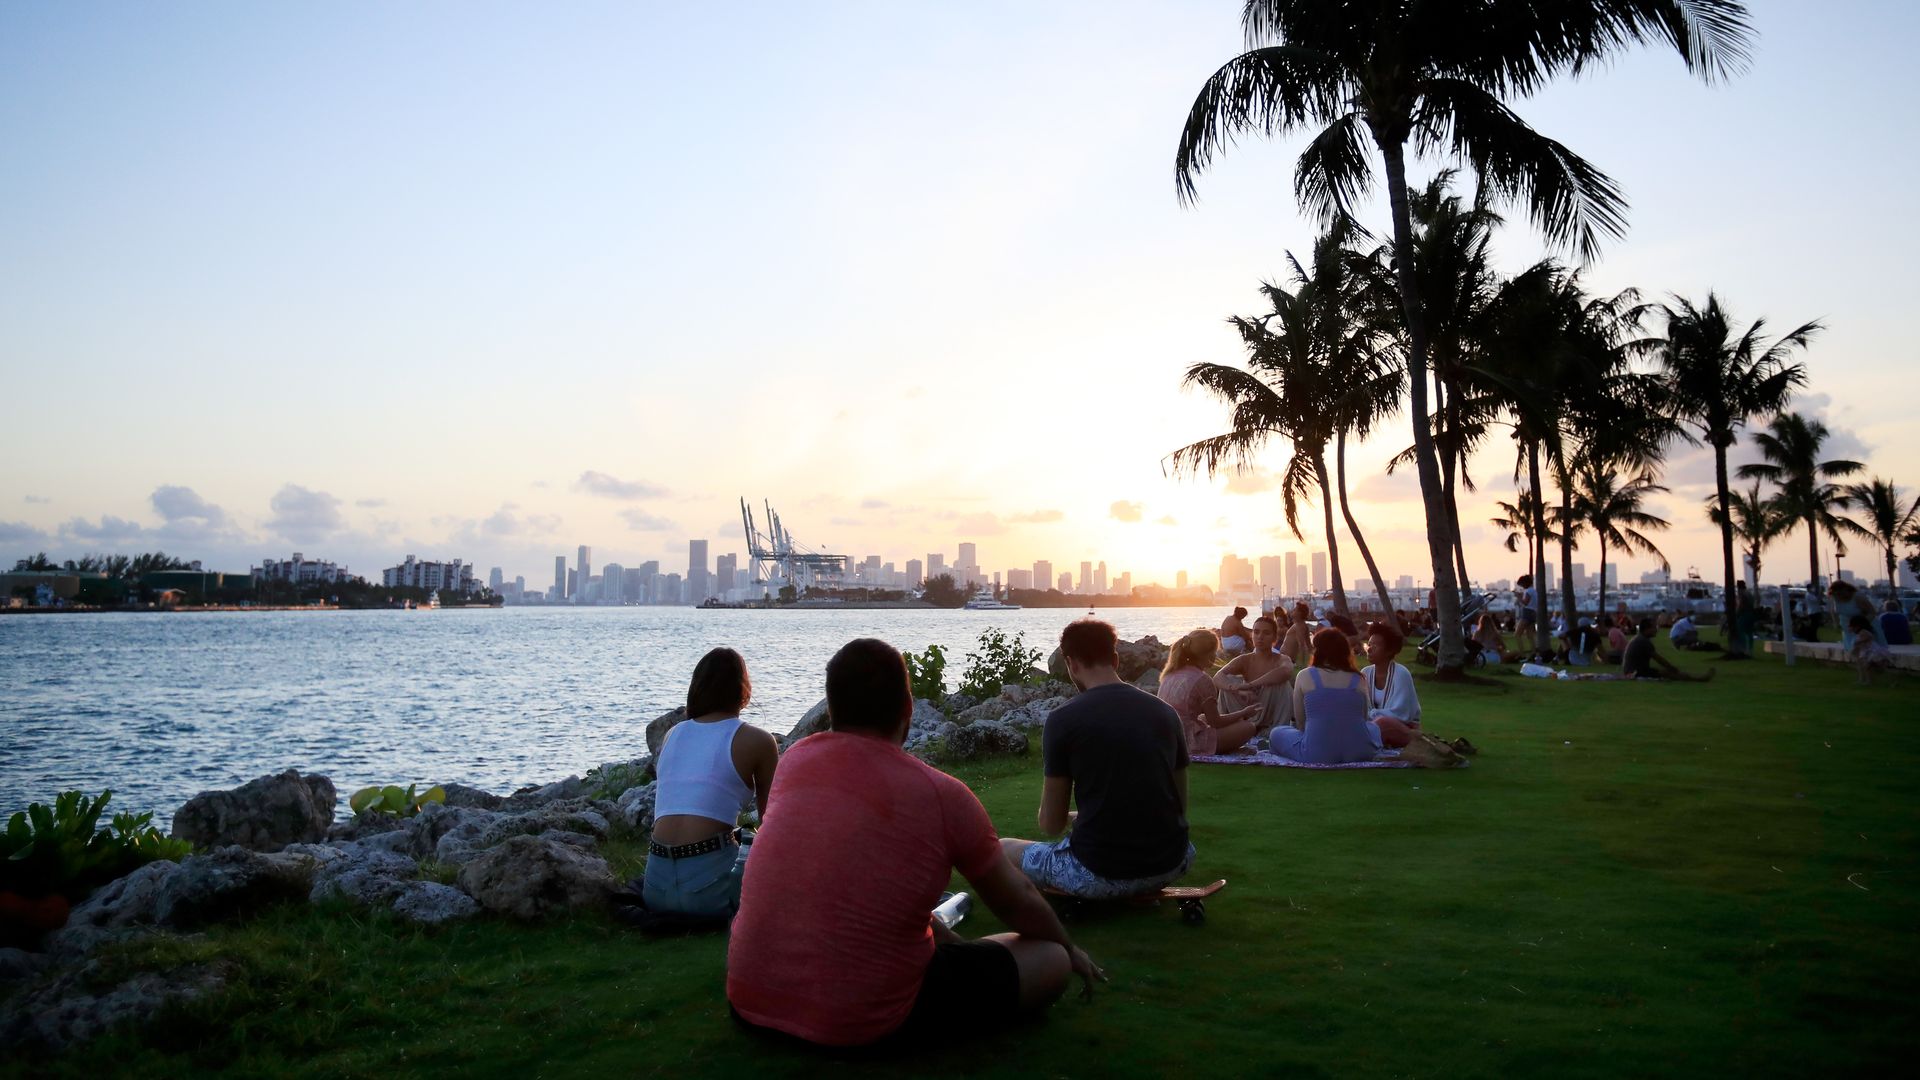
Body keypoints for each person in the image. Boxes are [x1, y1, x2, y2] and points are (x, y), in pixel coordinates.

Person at [727, 638, 1100, 1048]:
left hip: (751, 1002)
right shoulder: (942, 794)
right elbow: (1017, 900)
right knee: (1049, 960)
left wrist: (957, 949)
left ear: (831, 710)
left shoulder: (794, 761)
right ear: (908, 708)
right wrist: (1068, 947)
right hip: (863, 1022)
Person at [1001, 619, 1195, 900]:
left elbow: (1051, 824)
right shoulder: (1165, 713)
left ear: (1071, 664)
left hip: (1097, 873)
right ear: (1115, 659)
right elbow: (1178, 804)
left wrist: (1056, 815)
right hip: (1173, 863)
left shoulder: (1063, 720)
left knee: (1001, 848)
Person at [644, 647, 779, 919]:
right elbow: (773, 823)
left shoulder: (672, 734)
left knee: (739, 835)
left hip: (654, 887)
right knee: (754, 840)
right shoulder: (758, 741)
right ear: (743, 690)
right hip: (711, 894)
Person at [1272, 628, 1381, 764]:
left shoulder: (1305, 675)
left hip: (1317, 754)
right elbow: (1363, 719)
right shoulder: (1358, 679)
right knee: (1374, 728)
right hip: (1360, 752)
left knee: (1276, 733)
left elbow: (1300, 722)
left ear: (1317, 651)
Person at [1158, 629, 1262, 755]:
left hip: (1167, 736)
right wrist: (1244, 713)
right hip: (1188, 742)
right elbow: (1216, 722)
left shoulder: (1170, 673)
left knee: (1202, 718)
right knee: (1248, 727)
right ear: (1210, 655)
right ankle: (1219, 747)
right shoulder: (1202, 680)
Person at [1215, 615, 1295, 731]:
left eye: (1266, 633)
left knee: (1283, 685)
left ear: (1274, 638)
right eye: (1256, 632)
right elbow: (1218, 676)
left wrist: (1250, 685)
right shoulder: (1244, 659)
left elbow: (1286, 671)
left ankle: (1277, 730)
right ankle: (1226, 727)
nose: (1260, 637)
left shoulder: (1281, 659)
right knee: (1226, 686)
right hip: (1247, 709)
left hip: (1267, 709)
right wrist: (1238, 690)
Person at [1358, 623, 1417, 749]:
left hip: (1403, 728)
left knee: (1382, 723)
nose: (1369, 649)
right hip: (1373, 726)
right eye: (1369, 644)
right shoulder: (1365, 673)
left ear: (1389, 650)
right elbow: (1361, 708)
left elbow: (1402, 713)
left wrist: (1371, 716)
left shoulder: (1401, 673)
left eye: (1375, 645)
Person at [1621, 618, 1714, 681]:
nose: (1656, 630)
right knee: (1669, 673)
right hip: (1635, 672)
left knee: (1667, 672)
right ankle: (1698, 679)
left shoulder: (1639, 638)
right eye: (1654, 627)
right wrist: (1672, 668)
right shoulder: (1643, 641)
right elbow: (1659, 659)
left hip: (1634, 670)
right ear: (1647, 629)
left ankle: (1696, 678)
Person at [1830, 581, 1885, 646]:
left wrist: (1860, 625)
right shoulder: (1835, 598)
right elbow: (1833, 611)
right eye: (1835, 594)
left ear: (1845, 590)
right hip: (1848, 628)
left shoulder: (1857, 597)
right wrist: (1835, 623)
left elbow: (1872, 612)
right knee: (1852, 650)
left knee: (1868, 650)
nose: (1839, 596)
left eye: (1840, 593)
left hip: (1865, 628)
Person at [1850, 614, 1893, 685]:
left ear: (1857, 626)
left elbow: (1869, 637)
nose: (1851, 628)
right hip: (1869, 652)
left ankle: (1871, 681)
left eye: (1852, 626)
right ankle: (1868, 681)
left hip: (1873, 652)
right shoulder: (1860, 633)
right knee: (1867, 667)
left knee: (1874, 667)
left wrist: (1858, 642)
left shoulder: (1863, 632)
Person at [1280, 602, 1312, 667]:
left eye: (1295, 610)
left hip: (1289, 660)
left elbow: (1301, 645)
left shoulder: (1299, 625)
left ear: (1300, 613)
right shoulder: (1300, 624)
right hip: (1287, 659)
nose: (1292, 611)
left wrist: (1301, 663)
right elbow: (1309, 645)